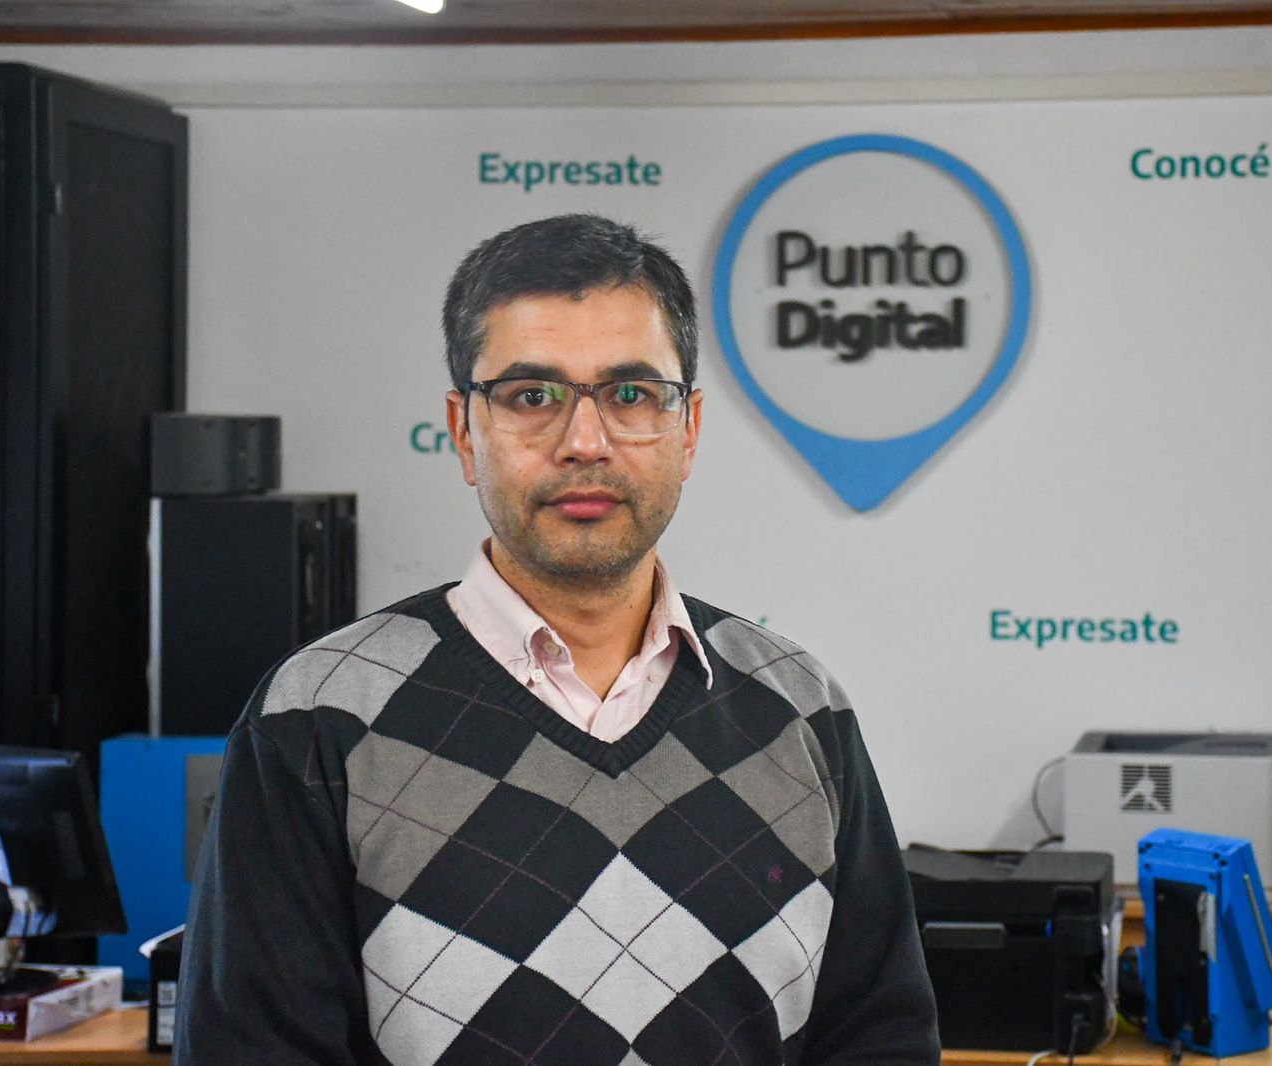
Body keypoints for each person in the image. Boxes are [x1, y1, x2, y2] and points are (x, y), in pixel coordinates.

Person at [176, 213, 940, 1065]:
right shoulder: (318, 718)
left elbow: (881, 1042)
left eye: (631, 394)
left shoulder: (798, 708)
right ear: (464, 432)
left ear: (688, 430)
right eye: (531, 397)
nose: (585, 443)